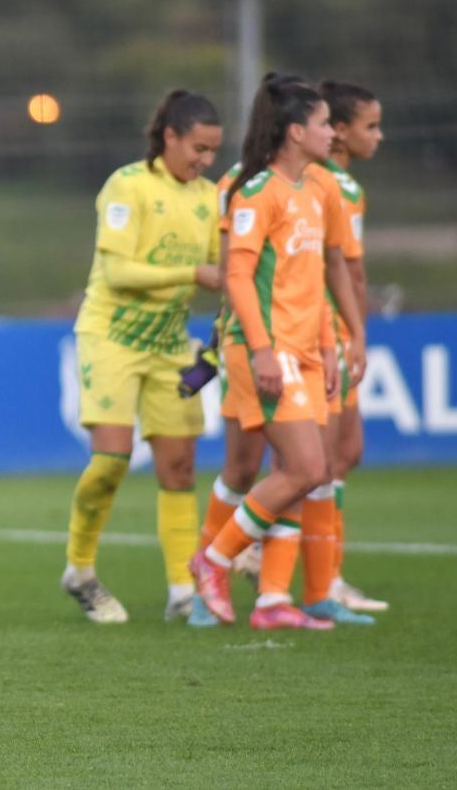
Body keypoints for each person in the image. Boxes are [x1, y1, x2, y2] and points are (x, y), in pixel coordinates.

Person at [188, 74, 365, 628]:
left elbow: (312, 273)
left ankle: (271, 602)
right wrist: (262, 350)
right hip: (266, 347)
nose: (330, 134)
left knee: (299, 469)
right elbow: (237, 275)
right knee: (305, 467)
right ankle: (213, 561)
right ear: (294, 132)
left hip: (308, 349)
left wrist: (332, 346)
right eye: (320, 125)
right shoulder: (256, 192)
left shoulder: (319, 189)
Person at [61, 90, 224, 624]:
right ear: (170, 136)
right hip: (111, 337)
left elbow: (228, 272)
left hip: (170, 344)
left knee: (179, 467)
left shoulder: (208, 198)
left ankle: (183, 590)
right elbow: (119, 274)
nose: (205, 159)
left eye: (213, 151)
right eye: (198, 147)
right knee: (111, 462)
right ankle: (80, 571)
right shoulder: (127, 186)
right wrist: (193, 274)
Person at [316, 79, 388, 614]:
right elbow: (353, 274)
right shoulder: (338, 186)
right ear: (338, 132)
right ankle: (323, 576)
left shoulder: (323, 181)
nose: (379, 136)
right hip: (327, 333)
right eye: (371, 125)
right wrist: (357, 335)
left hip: (323, 330)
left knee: (341, 454)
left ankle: (326, 574)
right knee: (327, 457)